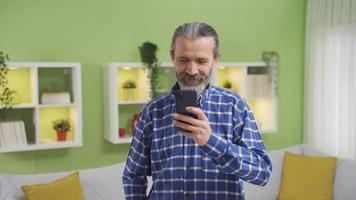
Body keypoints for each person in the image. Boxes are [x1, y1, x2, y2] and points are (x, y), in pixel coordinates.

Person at [123, 21, 272, 200]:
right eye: (183, 60)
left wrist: (211, 141)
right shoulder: (153, 111)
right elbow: (133, 175)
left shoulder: (235, 107)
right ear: (172, 56)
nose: (192, 70)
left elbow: (262, 173)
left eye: (201, 61)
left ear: (216, 59)